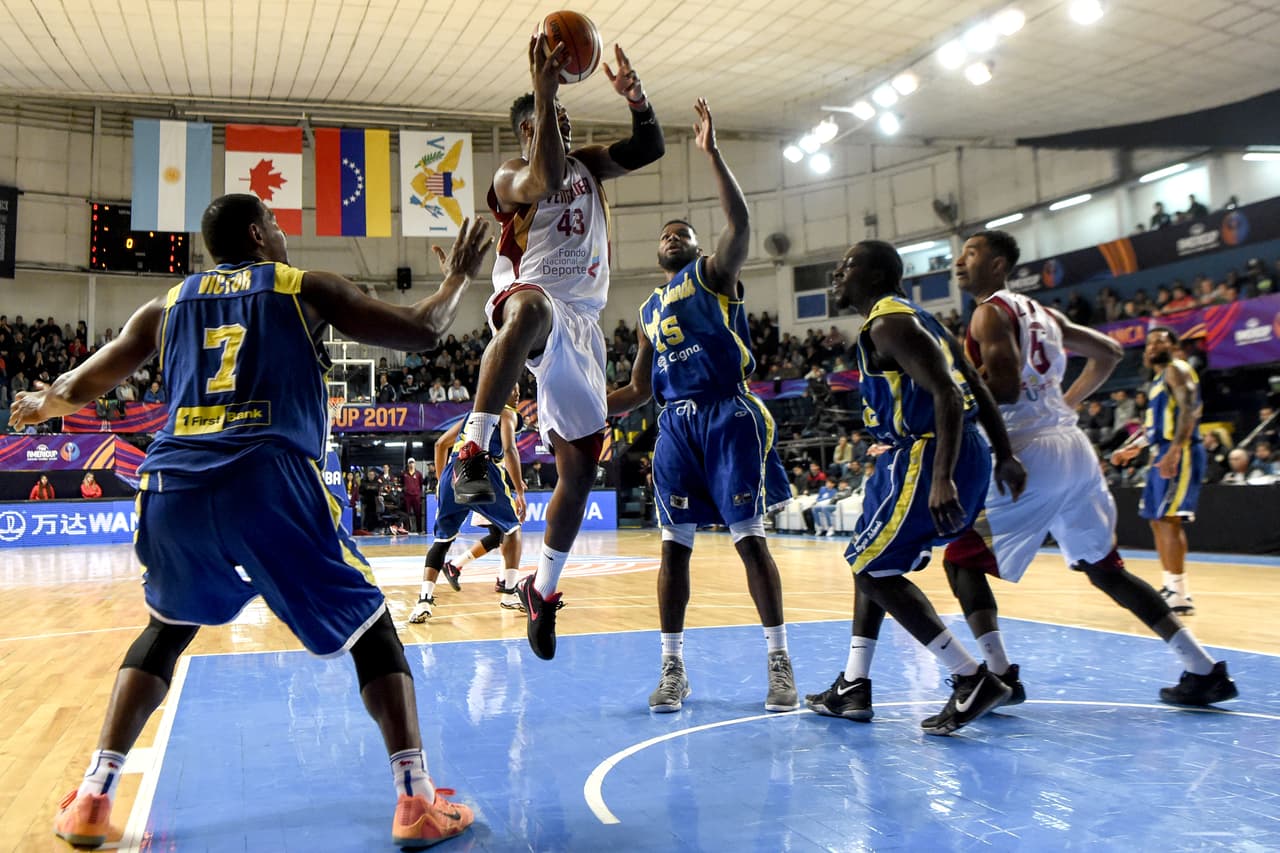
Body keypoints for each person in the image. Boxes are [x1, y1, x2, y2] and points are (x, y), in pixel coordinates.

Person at [10, 193, 492, 848]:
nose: (284, 237)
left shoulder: (168, 304)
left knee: (167, 627)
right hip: (266, 474)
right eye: (278, 226)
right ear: (259, 234)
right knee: (372, 625)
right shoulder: (303, 287)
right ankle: (415, 799)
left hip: (172, 483)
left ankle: (94, 793)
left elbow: (82, 384)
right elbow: (426, 330)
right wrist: (458, 277)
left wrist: (42, 400)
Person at [942, 230, 1235, 708]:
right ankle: (1203, 668)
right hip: (1073, 449)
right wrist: (1067, 402)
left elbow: (1007, 389)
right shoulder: (1042, 313)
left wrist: (948, 406)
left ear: (997, 264)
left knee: (960, 559)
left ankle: (998, 676)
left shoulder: (988, 312)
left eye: (970, 253)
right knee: (1106, 569)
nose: (958, 261)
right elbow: (1110, 353)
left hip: (1027, 447)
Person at [448, 33, 664, 660]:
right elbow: (543, 175)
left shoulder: (590, 164)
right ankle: (474, 445)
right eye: (551, 119)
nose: (563, 127)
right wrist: (544, 93)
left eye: (566, 119)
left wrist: (637, 99)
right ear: (527, 129)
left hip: (584, 323)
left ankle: (542, 592)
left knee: (579, 469)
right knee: (534, 305)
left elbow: (647, 146)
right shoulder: (513, 174)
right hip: (525, 297)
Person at [608, 98, 797, 714]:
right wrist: (577, 409)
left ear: (695, 249)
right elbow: (637, 390)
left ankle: (779, 661)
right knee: (672, 547)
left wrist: (712, 154)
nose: (673, 238)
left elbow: (739, 226)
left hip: (727, 413)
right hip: (674, 428)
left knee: (749, 538)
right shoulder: (646, 311)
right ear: (655, 253)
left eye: (683, 234)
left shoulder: (714, 277)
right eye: (667, 236)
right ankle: (672, 668)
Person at [804, 240, 1026, 736]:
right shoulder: (918, 318)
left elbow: (949, 393)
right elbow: (975, 382)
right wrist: (1004, 454)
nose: (837, 273)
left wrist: (943, 474)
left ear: (876, 274)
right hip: (922, 452)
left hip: (929, 453)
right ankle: (853, 685)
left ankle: (971, 677)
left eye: (847, 265)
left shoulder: (889, 323)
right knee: (870, 560)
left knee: (872, 568)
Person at [410, 388, 527, 622]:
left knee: (441, 541)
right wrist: (520, 490)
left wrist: (443, 482)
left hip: (453, 470)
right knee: (512, 531)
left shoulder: (470, 415)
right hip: (481, 468)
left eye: (518, 390)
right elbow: (509, 449)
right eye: (511, 389)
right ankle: (509, 592)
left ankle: (424, 601)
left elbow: (440, 445)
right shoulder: (507, 413)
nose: (516, 393)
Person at [1111, 328, 1205, 615]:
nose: (1154, 346)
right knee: (1156, 520)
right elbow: (1153, 426)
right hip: (1160, 450)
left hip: (1180, 449)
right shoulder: (1156, 382)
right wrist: (1133, 447)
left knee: (1168, 519)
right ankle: (1170, 585)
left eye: (1161, 340)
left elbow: (1191, 409)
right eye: (1150, 343)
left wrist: (1175, 450)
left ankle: (1179, 594)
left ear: (1175, 347)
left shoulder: (1177, 370)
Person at [401, 458, 424, 533]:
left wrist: (418, 493)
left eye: (412, 463)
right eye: (410, 463)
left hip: (416, 496)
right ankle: (407, 529)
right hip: (407, 497)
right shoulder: (404, 474)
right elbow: (402, 483)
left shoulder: (419, 474)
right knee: (406, 514)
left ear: (415, 463)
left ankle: (419, 530)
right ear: (408, 464)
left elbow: (420, 484)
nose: (411, 464)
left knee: (418, 513)